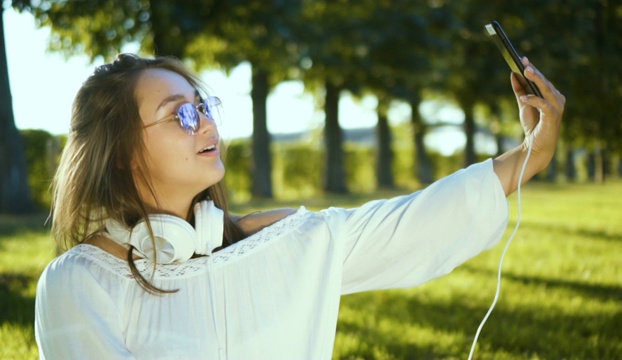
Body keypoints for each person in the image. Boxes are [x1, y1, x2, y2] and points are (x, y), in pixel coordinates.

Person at [34, 53, 565, 359]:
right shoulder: (79, 282)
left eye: (205, 107)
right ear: (123, 152)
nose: (210, 125)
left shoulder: (272, 244)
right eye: (182, 116)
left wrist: (529, 156)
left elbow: (407, 225)